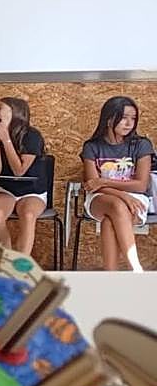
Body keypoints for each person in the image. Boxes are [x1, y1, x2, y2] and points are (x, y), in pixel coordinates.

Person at [80, 96, 152, 272]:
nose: (129, 123)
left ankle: (110, 276)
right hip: (100, 198)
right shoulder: (92, 146)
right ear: (110, 119)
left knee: (108, 221)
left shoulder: (141, 145)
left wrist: (103, 180)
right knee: (117, 205)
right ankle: (135, 267)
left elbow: (141, 185)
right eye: (124, 117)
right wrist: (122, 194)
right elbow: (92, 185)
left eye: (133, 118)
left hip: (136, 200)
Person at [0, 97, 48, 255]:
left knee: (27, 214)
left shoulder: (32, 136)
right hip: (6, 189)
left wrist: (6, 140)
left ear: (15, 113)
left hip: (33, 191)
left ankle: (21, 263)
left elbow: (19, 171)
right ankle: (6, 258)